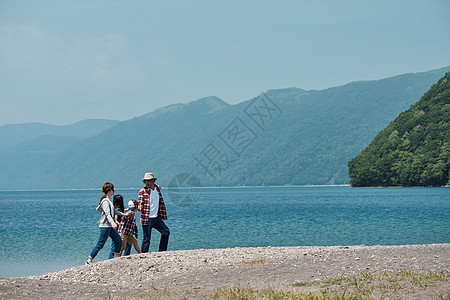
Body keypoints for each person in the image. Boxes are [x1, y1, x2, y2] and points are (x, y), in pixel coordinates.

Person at [86, 182, 131, 264]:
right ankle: (89, 260)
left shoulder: (108, 201)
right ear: (110, 190)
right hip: (105, 226)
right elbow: (107, 214)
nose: (113, 191)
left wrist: (124, 214)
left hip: (109, 226)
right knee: (100, 244)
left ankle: (116, 258)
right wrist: (113, 223)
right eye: (112, 189)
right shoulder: (105, 201)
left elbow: (114, 211)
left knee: (118, 241)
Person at [138, 172, 170, 252]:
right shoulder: (142, 191)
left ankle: (162, 251)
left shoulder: (158, 189)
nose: (147, 183)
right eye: (145, 181)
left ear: (153, 181)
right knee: (146, 239)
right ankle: (143, 255)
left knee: (166, 232)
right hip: (146, 218)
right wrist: (139, 206)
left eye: (148, 181)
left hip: (156, 217)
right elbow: (140, 201)